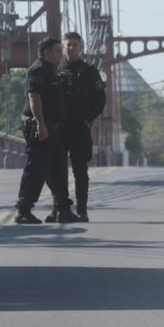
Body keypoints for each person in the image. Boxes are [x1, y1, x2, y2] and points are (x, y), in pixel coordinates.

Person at [14, 36, 77, 224]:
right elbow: (34, 98)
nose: (61, 54)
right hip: (41, 126)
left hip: (54, 127)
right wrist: (41, 124)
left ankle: (63, 209)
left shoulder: (52, 71)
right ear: (47, 52)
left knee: (58, 169)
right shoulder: (38, 70)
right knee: (36, 170)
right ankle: (23, 210)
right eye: (58, 50)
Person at [56, 31, 106, 222]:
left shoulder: (90, 72)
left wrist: (88, 118)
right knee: (57, 170)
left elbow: (100, 99)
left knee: (80, 170)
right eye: (68, 45)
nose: (71, 48)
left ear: (81, 47)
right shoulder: (56, 71)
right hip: (59, 127)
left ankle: (82, 209)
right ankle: (60, 208)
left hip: (79, 127)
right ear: (63, 47)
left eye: (75, 45)